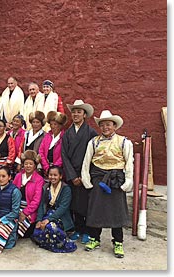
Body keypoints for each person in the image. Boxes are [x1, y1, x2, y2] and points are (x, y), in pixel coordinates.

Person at [81, 110, 133, 258]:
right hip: (98, 177)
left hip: (116, 179)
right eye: (102, 125)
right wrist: (87, 180)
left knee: (116, 211)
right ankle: (94, 238)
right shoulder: (94, 142)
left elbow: (129, 163)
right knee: (95, 209)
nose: (105, 128)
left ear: (114, 126)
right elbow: (86, 162)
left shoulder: (124, 142)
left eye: (108, 125)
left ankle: (118, 242)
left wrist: (127, 182)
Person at [61, 99, 98, 244]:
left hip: (86, 175)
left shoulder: (91, 132)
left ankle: (87, 231)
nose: (76, 114)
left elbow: (94, 155)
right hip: (72, 175)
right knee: (74, 204)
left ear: (84, 115)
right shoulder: (67, 133)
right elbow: (64, 155)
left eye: (79, 112)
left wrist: (84, 175)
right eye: (74, 111)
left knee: (85, 204)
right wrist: (72, 176)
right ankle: (77, 228)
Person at [31, 166, 77, 253]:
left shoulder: (66, 189)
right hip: (47, 214)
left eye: (55, 175)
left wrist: (49, 219)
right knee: (37, 231)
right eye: (50, 175)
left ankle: (60, 242)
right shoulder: (45, 187)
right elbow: (42, 205)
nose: (52, 177)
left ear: (60, 176)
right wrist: (39, 220)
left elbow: (63, 207)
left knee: (50, 227)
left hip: (60, 216)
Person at [13, 150, 44, 238]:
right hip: (16, 206)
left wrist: (25, 212)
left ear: (35, 165)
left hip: (30, 209)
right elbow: (11, 191)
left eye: (31, 164)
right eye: (26, 163)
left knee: (22, 230)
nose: (28, 166)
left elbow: (36, 201)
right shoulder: (18, 176)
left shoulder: (39, 179)